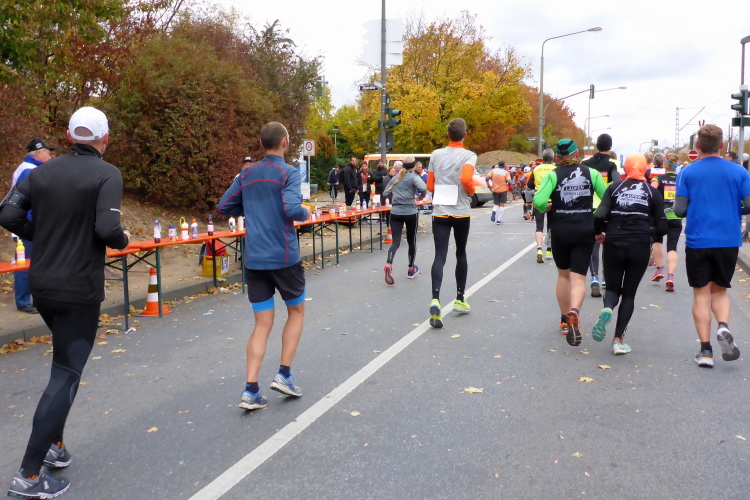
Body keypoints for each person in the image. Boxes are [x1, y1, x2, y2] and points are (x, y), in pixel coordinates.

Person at [0, 107, 130, 498]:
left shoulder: (40, 172)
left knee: (62, 363)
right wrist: (122, 240)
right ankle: (28, 475)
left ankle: (54, 446)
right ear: (105, 139)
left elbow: (7, 213)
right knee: (66, 374)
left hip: (43, 286)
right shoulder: (107, 173)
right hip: (78, 289)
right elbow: (107, 228)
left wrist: (39, 232)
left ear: (70, 137)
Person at [217, 122, 310, 407]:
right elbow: (292, 209)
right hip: (284, 257)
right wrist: (305, 212)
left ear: (260, 144)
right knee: (296, 312)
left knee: (262, 322)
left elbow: (224, 207)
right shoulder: (289, 173)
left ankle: (251, 390)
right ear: (285, 142)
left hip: (255, 259)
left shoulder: (246, 174)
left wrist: (252, 209)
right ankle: (284, 374)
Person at [674, 124, 750, 368]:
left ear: (698, 145)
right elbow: (749, 204)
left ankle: (706, 351)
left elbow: (679, 210)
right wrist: (733, 209)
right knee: (720, 291)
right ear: (722, 145)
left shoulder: (687, 172)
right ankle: (723, 327)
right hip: (728, 240)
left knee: (701, 295)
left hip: (698, 240)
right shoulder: (739, 172)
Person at [533, 139, 606, 346]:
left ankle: (565, 320)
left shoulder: (552, 175)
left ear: (557, 156)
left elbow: (539, 201)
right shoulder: (592, 174)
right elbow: (606, 198)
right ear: (577, 154)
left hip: (561, 231)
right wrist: (597, 217)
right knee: (578, 279)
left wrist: (546, 207)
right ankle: (575, 312)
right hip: (584, 230)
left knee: (563, 276)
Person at [592, 153, 667, 355]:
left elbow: (599, 215)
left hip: (614, 241)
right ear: (644, 168)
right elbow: (663, 227)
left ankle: (608, 308)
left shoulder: (614, 188)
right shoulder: (652, 193)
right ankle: (618, 341)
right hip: (639, 245)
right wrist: (649, 233)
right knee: (629, 294)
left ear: (625, 168)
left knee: (612, 288)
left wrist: (599, 233)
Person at [426, 118, 477, 328]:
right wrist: (471, 192)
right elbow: (466, 179)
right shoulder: (469, 155)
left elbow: (430, 186)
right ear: (465, 135)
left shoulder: (436, 154)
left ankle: (435, 299)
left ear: (448, 135)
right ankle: (459, 299)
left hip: (440, 210)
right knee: (460, 253)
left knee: (440, 255)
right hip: (461, 211)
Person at [10, 139, 56, 314]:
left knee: (34, 263)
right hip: (28, 225)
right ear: (38, 153)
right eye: (48, 152)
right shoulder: (29, 171)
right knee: (25, 263)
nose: (50, 156)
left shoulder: (30, 169)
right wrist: (35, 226)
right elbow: (28, 202)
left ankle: (35, 299)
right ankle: (23, 301)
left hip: (29, 224)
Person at [581, 133, 620, 297]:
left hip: (589, 207)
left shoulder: (585, 163)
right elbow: (617, 184)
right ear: (610, 146)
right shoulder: (613, 164)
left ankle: (594, 277)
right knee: (607, 243)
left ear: (597, 146)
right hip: (606, 208)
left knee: (593, 245)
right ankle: (605, 277)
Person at [383, 156, 427, 285]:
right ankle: (411, 269)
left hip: (395, 212)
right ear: (414, 166)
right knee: (411, 241)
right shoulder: (414, 177)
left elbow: (385, 193)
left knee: (395, 242)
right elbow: (423, 188)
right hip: (410, 212)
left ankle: (389, 263)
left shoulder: (396, 178)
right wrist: (420, 197)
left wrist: (396, 196)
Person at [650, 153, 682, 290]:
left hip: (660, 217)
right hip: (676, 217)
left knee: (657, 241)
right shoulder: (681, 180)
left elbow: (650, 192)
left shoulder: (658, 178)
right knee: (672, 246)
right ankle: (670, 276)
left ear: (665, 164)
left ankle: (659, 270)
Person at [531, 149, 557, 263]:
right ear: (552, 158)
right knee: (551, 226)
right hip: (552, 199)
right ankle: (549, 250)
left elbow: (530, 184)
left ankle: (539, 249)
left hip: (539, 199)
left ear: (542, 158)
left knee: (539, 226)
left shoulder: (536, 169)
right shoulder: (555, 169)